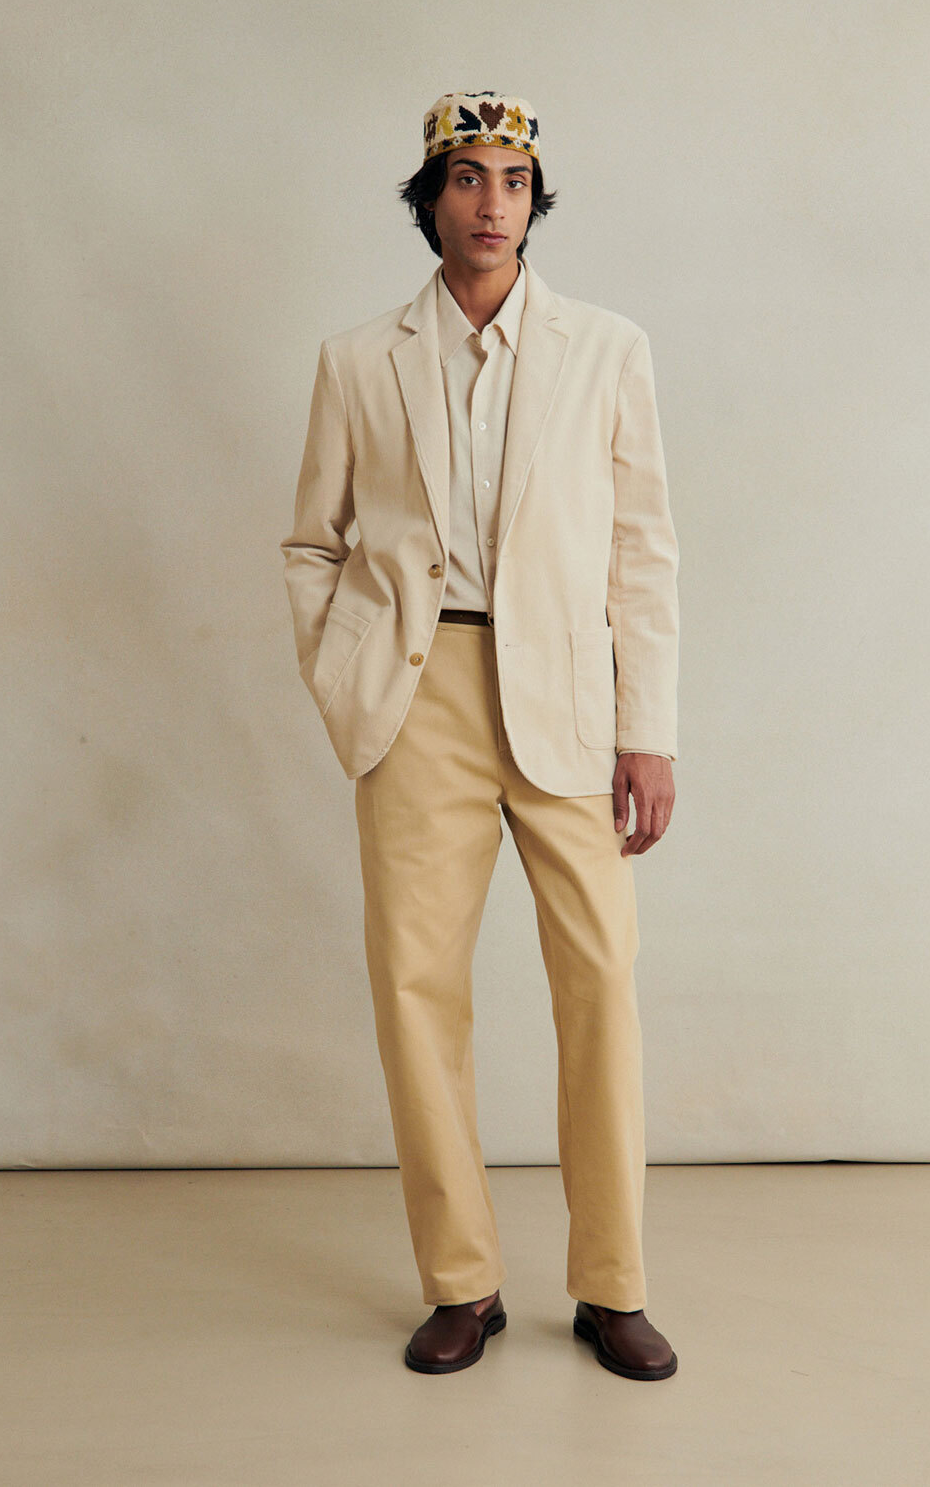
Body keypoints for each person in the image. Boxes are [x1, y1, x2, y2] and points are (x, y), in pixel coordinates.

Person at [280, 91, 679, 1380]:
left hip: (564, 693)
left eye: (513, 178)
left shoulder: (606, 349)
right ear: (431, 198)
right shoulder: (359, 358)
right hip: (418, 694)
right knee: (416, 990)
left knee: (601, 982)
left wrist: (648, 729)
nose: (491, 201)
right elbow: (313, 541)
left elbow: (641, 550)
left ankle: (612, 1285)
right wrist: (345, 676)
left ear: (534, 199)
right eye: (467, 176)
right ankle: (463, 1284)